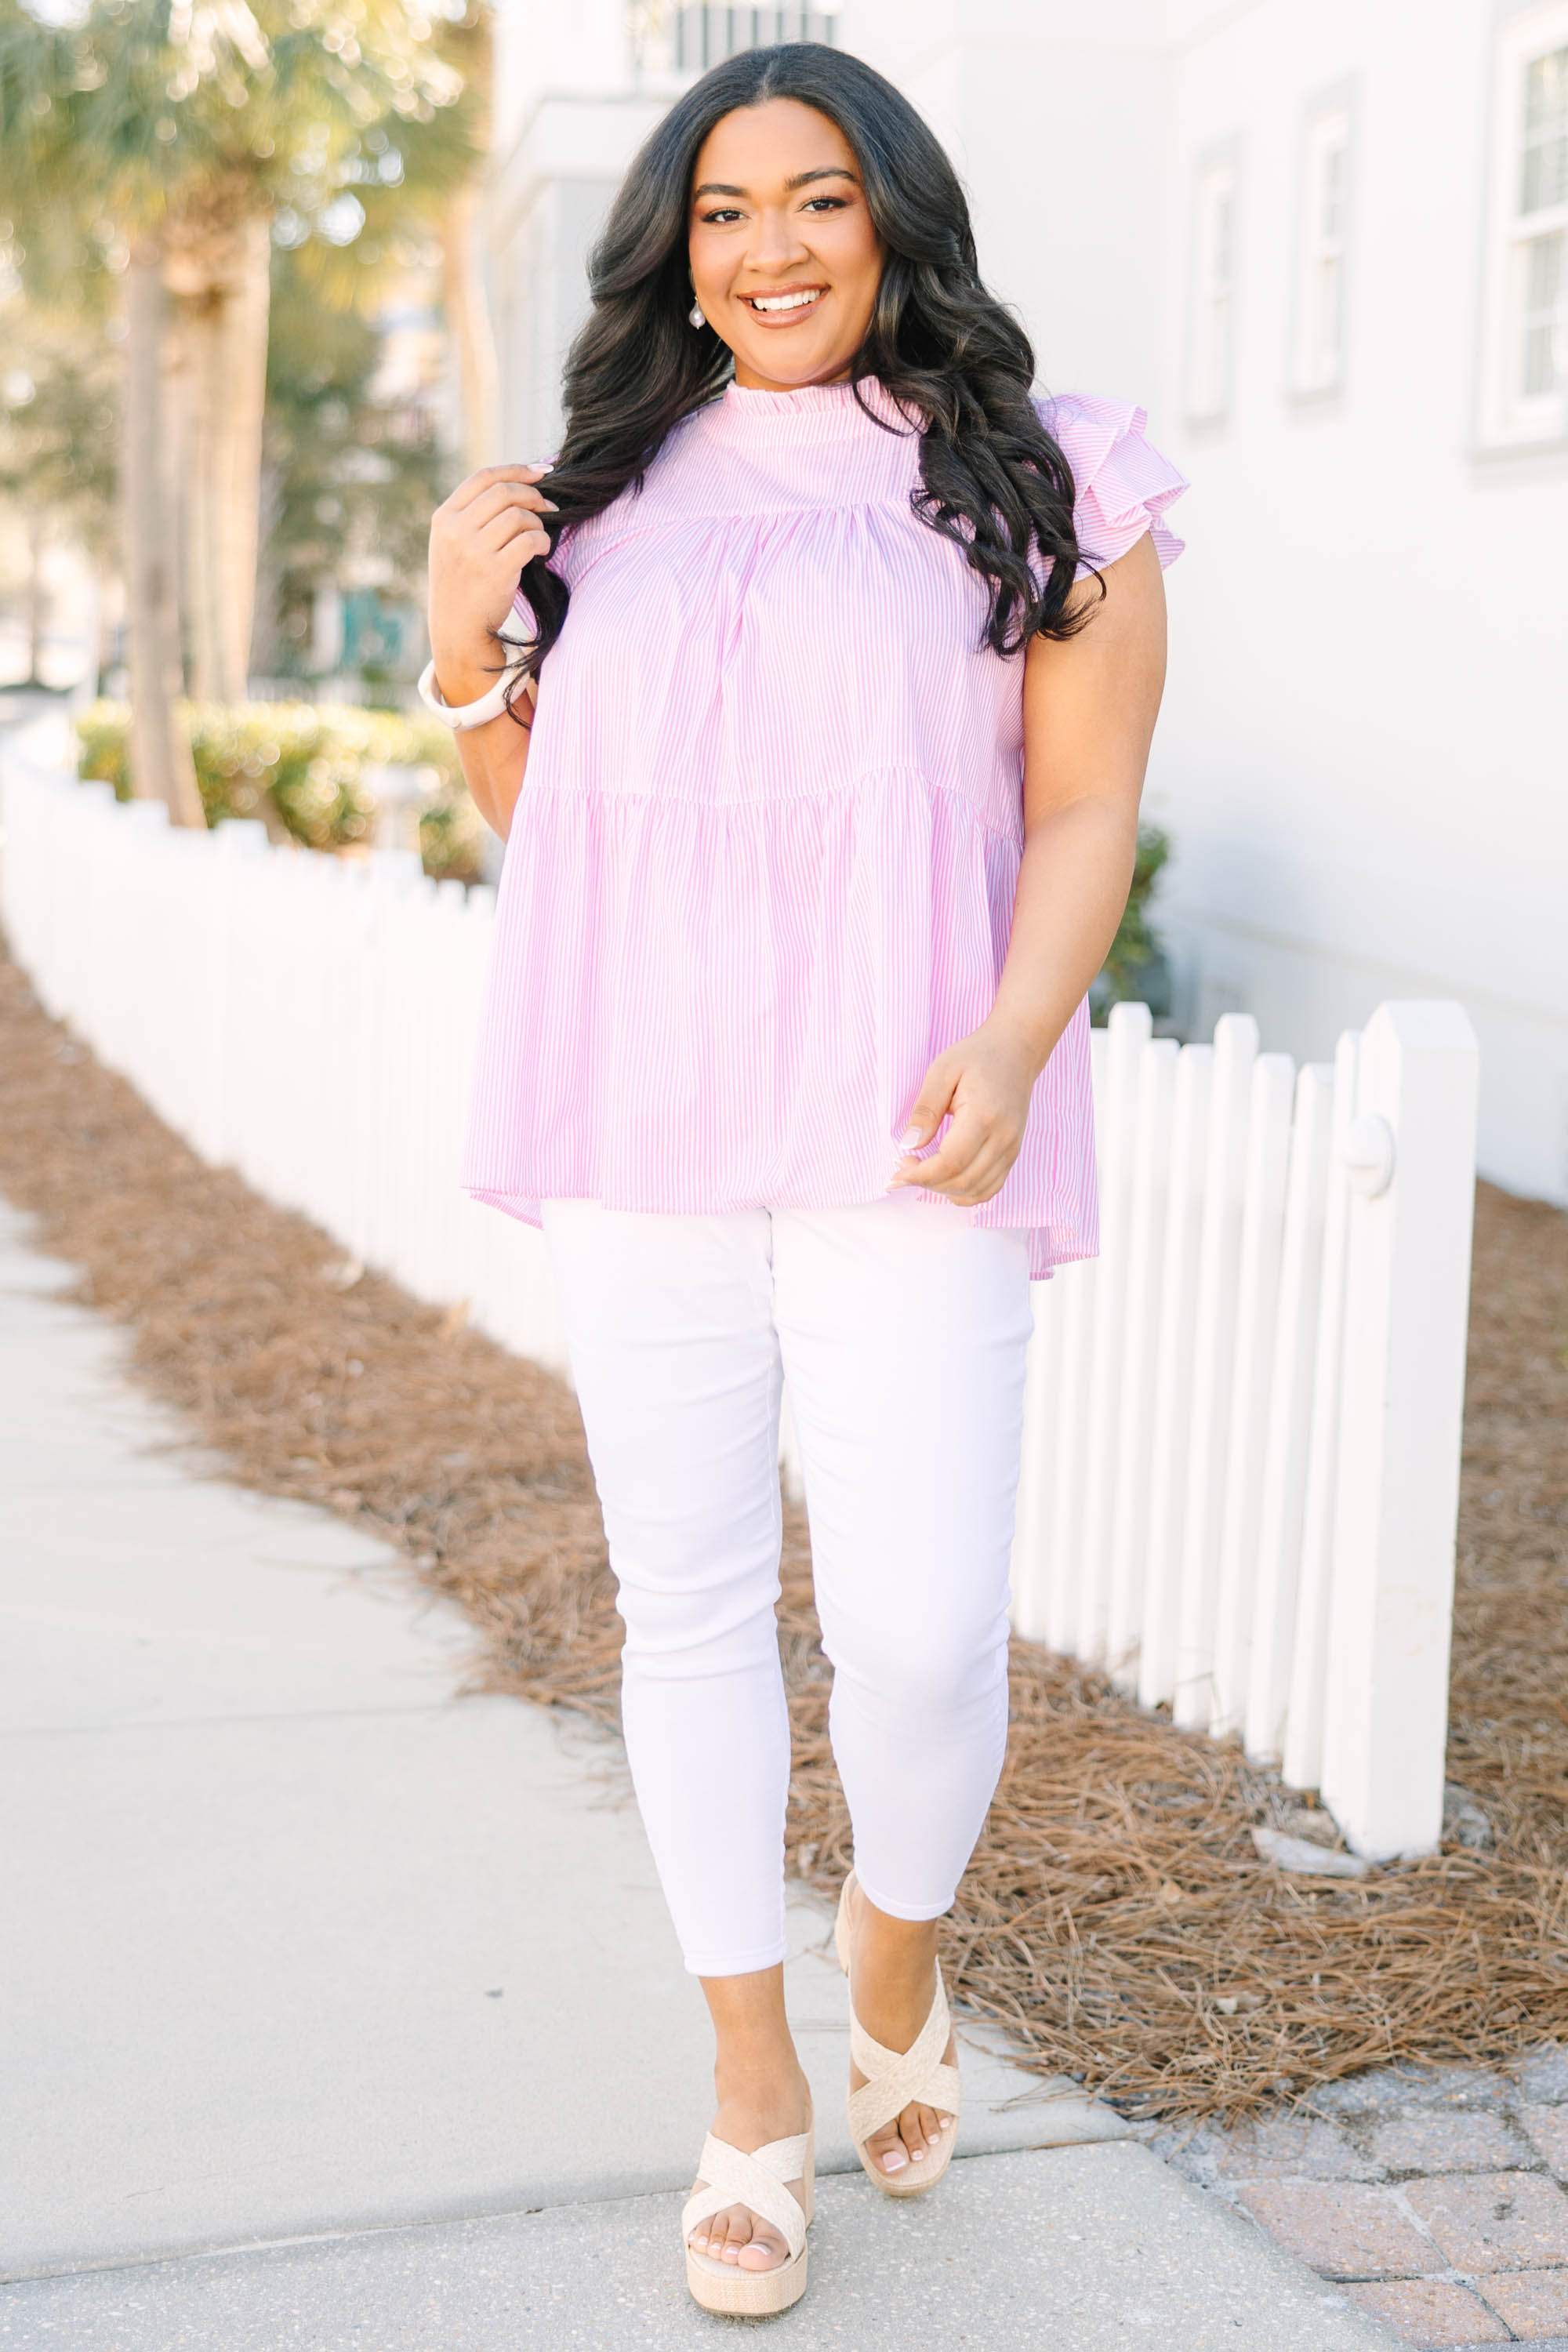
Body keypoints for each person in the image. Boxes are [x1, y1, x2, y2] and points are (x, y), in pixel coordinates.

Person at [422, 39, 1183, 2321]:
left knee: (922, 1632)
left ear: (894, 218)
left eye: (820, 199)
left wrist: (1016, 1034)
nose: (772, 248)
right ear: (678, 248)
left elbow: (1081, 801)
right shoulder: (601, 496)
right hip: (650, 1129)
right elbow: (563, 837)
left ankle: (894, 1948)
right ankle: (752, 2089)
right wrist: (462, 649)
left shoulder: (1047, 476)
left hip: (911, 1129)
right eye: (727, 209)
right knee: (683, 1613)